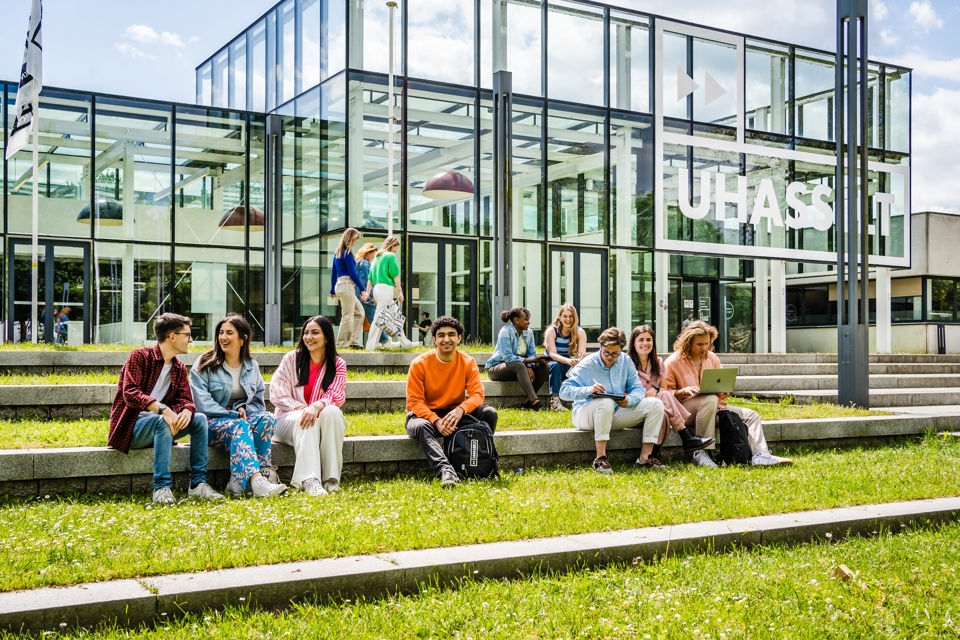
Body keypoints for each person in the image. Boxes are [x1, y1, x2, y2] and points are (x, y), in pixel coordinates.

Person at [108, 313, 223, 504]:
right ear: (172, 336)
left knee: (200, 419)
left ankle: (197, 485)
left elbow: (186, 398)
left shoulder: (178, 368)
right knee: (162, 421)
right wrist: (164, 410)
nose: (190, 340)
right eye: (187, 335)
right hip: (132, 428)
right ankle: (161, 488)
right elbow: (130, 393)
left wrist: (186, 410)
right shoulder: (140, 357)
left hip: (162, 426)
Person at [662, 320, 792, 467]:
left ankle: (760, 455)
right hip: (686, 411)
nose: (704, 348)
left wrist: (724, 391)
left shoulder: (712, 358)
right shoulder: (673, 362)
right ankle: (701, 452)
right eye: (700, 344)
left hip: (714, 406)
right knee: (709, 400)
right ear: (688, 342)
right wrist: (683, 391)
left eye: (707, 343)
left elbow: (722, 382)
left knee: (751, 415)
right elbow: (664, 394)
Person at [190, 314, 287, 498]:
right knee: (240, 425)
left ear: (243, 338)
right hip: (211, 424)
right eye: (221, 333)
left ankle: (244, 480)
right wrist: (232, 414)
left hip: (240, 421)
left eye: (229, 333)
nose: (223, 337)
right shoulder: (205, 363)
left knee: (266, 418)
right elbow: (201, 402)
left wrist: (244, 409)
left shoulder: (251, 365)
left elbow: (258, 401)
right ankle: (257, 482)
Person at [406, 315, 498, 487]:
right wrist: (436, 420)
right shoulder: (419, 364)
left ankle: (482, 460)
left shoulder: (467, 362)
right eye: (441, 335)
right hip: (424, 415)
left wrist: (461, 409)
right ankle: (446, 471)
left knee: (489, 413)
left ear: (459, 338)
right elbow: (414, 402)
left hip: (454, 412)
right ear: (434, 339)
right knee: (421, 426)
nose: (446, 339)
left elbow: (477, 394)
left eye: (451, 334)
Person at [560, 327, 665, 473]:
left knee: (656, 404)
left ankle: (645, 458)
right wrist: (589, 390)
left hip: (613, 412)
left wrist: (629, 400)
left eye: (615, 353)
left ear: (621, 349)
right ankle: (600, 458)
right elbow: (564, 391)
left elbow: (638, 389)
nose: (610, 357)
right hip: (585, 415)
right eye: (606, 352)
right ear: (601, 347)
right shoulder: (588, 363)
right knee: (606, 402)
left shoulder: (625, 361)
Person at [271, 316, 348, 496]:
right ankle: (310, 480)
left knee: (333, 412)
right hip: (287, 420)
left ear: (327, 337)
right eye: (306, 333)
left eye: (315, 333)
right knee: (307, 417)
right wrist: (305, 409)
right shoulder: (291, 359)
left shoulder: (337, 364)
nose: (308, 337)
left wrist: (317, 406)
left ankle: (331, 480)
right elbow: (277, 392)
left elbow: (337, 394)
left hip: (317, 418)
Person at [627, 324, 713, 464]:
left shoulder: (658, 362)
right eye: (641, 340)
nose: (645, 343)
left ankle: (651, 456)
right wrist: (647, 394)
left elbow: (664, 389)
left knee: (663, 406)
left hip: (655, 409)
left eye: (649, 340)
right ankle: (687, 438)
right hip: (634, 409)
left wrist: (655, 388)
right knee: (662, 400)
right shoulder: (626, 363)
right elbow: (625, 393)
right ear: (634, 343)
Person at [486, 307, 550, 410]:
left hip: (519, 368)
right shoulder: (505, 331)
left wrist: (529, 365)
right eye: (526, 319)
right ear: (516, 320)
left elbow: (532, 353)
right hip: (496, 368)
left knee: (544, 367)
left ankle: (527, 401)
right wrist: (529, 361)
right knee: (519, 365)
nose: (528, 322)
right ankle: (535, 402)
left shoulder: (529, 332)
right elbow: (508, 357)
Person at [364, 235, 416, 350]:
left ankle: (405, 343)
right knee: (380, 318)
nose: (396, 250)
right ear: (392, 245)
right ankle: (370, 346)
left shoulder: (376, 258)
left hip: (377, 289)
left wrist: (368, 293)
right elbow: (395, 276)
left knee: (394, 315)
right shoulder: (390, 256)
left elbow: (370, 278)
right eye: (396, 247)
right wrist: (400, 292)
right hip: (385, 290)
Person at [543, 304, 587, 411]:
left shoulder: (580, 332)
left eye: (571, 316)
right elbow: (552, 354)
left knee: (580, 370)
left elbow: (581, 354)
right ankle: (555, 401)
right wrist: (568, 361)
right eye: (565, 316)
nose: (568, 319)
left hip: (567, 362)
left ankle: (580, 400)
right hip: (551, 362)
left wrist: (579, 360)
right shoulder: (552, 331)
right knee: (556, 366)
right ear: (560, 317)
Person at [329, 227, 366, 349]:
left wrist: (332, 289)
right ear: (350, 238)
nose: (356, 242)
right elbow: (352, 273)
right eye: (355, 239)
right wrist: (362, 289)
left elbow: (334, 273)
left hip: (341, 285)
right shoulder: (347, 253)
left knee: (360, 313)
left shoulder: (338, 252)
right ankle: (342, 344)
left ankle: (353, 341)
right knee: (347, 316)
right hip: (346, 285)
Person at [355, 242, 385, 348]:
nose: (374, 256)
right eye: (373, 253)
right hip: (365, 297)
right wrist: (372, 296)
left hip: (359, 296)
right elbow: (366, 281)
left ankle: (377, 342)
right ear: (368, 252)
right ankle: (384, 342)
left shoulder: (359, 262)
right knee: (375, 319)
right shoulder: (365, 263)